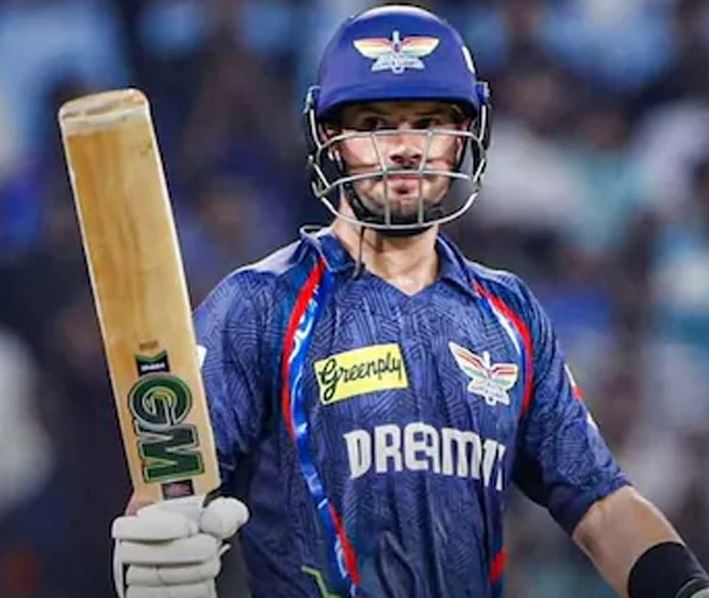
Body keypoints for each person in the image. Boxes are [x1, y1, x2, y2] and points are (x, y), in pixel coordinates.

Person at [111, 5, 709, 598]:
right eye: (374, 124)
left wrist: (687, 590)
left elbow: (600, 503)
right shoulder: (259, 306)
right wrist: (153, 559)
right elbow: (169, 491)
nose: (404, 147)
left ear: (465, 138)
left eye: (427, 123)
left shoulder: (510, 315)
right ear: (330, 139)